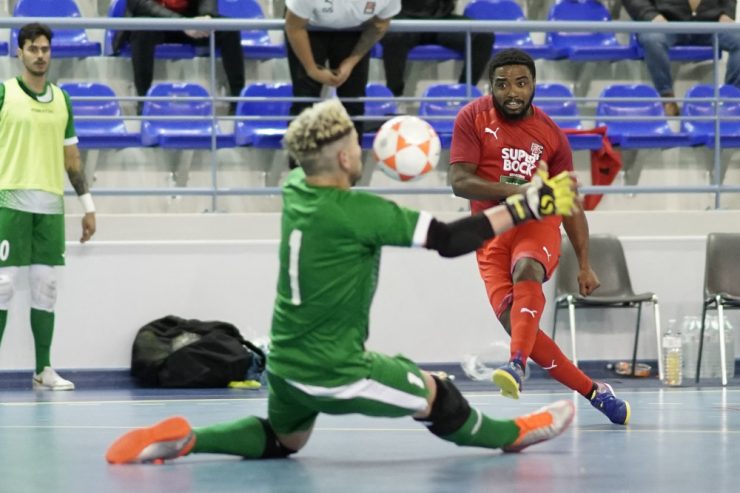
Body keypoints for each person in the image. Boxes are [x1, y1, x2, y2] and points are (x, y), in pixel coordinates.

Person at [106, 98, 578, 464]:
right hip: (331, 370)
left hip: (285, 364)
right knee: (439, 395)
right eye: (354, 143)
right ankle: (514, 435)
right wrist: (527, 205)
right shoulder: (361, 213)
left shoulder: (295, 191)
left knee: (284, 439)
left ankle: (190, 439)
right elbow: (452, 241)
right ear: (341, 157)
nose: (363, 148)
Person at [448, 48, 631, 425]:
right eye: (502, 84)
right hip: (491, 233)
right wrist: (521, 193)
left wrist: (584, 263)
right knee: (520, 327)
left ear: (533, 85)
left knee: (528, 269)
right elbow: (460, 182)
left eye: (521, 82)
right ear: (490, 87)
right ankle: (595, 392)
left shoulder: (551, 136)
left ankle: (515, 365)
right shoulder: (472, 118)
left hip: (536, 224)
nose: (512, 91)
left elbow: (570, 205)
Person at [0, 23, 97, 390]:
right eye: (32, 49)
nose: (40, 55)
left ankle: (44, 369)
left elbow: (71, 159)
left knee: (45, 287)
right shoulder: (4, 94)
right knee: (3, 285)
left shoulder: (61, 100)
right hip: (8, 201)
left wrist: (87, 205)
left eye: (45, 49)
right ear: (19, 52)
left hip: (49, 206)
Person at [284, 0, 399, 162]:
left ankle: (349, 177)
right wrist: (312, 69)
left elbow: (381, 23)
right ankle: (299, 176)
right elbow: (294, 26)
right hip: (308, 27)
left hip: (354, 29)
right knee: (304, 101)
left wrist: (352, 61)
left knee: (354, 103)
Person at [114, 0, 245, 113]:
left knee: (229, 29)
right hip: (155, 20)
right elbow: (139, 4)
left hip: (190, 22)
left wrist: (206, 16)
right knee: (141, 30)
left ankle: (238, 100)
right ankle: (143, 100)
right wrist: (181, 23)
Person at [623, 0, 740, 116]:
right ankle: (666, 98)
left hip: (710, 24)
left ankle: (731, 99)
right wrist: (651, 15)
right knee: (652, 38)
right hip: (667, 23)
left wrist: (727, 13)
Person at [381, 0, 495, 97]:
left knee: (483, 35)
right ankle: (394, 97)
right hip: (406, 17)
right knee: (394, 36)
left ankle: (464, 93)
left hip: (444, 19)